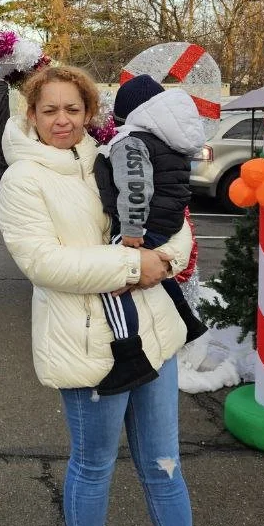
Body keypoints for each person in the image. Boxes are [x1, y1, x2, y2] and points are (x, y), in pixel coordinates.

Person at [0, 64, 221, 526]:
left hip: (152, 338)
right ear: (32, 116)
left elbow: (175, 224)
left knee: (165, 467)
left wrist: (162, 261)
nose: (63, 120)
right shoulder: (23, 180)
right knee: (94, 466)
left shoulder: (124, 153)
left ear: (89, 112)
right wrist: (133, 267)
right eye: (50, 111)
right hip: (87, 346)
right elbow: (43, 262)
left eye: (73, 109)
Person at [91, 74, 208, 396]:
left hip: (143, 225)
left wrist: (130, 230)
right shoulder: (168, 138)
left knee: (108, 278)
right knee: (154, 266)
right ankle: (188, 320)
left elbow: (136, 187)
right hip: (166, 220)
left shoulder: (131, 140)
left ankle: (130, 355)